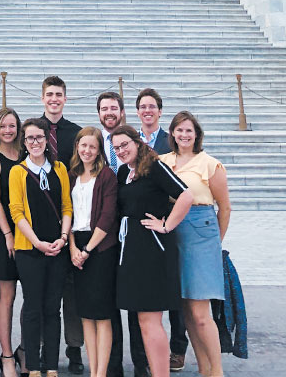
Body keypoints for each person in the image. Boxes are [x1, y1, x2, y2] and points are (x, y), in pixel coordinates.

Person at [111, 125, 193, 377]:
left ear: (137, 143)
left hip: (152, 250)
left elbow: (185, 195)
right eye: (116, 148)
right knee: (143, 321)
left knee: (150, 320)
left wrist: (166, 226)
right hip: (133, 252)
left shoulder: (155, 166)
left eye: (125, 144)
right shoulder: (125, 171)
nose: (121, 150)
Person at [160, 112, 231, 377]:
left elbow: (224, 207)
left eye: (189, 131)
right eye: (179, 131)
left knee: (201, 311)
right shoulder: (163, 161)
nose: (184, 135)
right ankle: (203, 368)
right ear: (173, 134)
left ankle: (217, 370)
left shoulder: (210, 164)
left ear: (197, 134)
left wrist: (215, 242)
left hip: (201, 230)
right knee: (187, 309)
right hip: (173, 230)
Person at [9, 117, 73, 377]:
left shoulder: (58, 168)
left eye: (39, 137)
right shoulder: (18, 171)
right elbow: (17, 211)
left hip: (57, 248)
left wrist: (63, 237)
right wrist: (37, 242)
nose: (34, 142)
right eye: (29, 138)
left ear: (47, 140)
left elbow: (67, 206)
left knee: (52, 309)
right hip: (29, 249)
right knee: (33, 307)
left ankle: (51, 366)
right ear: (24, 142)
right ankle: (33, 366)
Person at [135, 90, 188, 373]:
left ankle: (178, 347)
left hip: (168, 219)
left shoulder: (170, 141)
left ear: (160, 111)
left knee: (172, 289)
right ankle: (148, 352)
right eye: (142, 107)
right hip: (142, 224)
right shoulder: (131, 141)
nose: (147, 111)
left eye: (152, 107)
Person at [96, 93, 148, 377]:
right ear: (99, 114)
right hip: (105, 234)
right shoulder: (94, 142)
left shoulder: (134, 146)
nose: (109, 113)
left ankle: (142, 363)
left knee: (136, 303)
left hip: (133, 236)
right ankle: (113, 364)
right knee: (110, 303)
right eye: (104, 109)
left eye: (114, 108)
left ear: (122, 111)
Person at [39, 76, 84, 375]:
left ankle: (74, 348)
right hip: (41, 220)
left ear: (65, 98)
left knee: (72, 291)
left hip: (73, 217)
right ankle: (43, 348)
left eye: (59, 95)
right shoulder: (32, 130)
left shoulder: (76, 133)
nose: (54, 99)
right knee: (44, 292)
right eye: (49, 94)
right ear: (42, 98)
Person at [68, 127, 118, 377]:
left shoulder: (107, 175)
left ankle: (101, 373)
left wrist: (87, 249)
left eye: (92, 147)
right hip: (78, 246)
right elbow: (68, 214)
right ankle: (92, 371)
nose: (87, 151)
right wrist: (73, 248)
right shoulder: (72, 175)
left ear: (99, 150)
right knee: (86, 314)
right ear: (77, 146)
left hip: (100, 248)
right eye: (83, 145)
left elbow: (108, 216)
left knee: (102, 314)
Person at [0, 107, 23, 377]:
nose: (8, 130)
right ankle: (7, 355)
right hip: (4, 235)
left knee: (34, 298)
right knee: (7, 296)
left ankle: (25, 351)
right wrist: (8, 234)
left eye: (12, 126)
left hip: (30, 232)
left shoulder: (26, 153)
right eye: (3, 126)